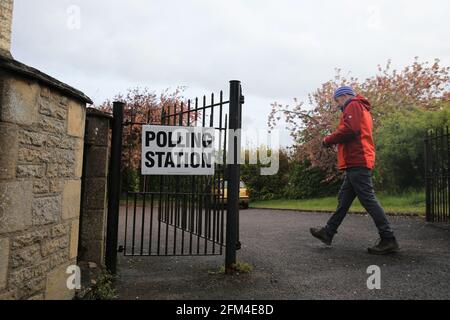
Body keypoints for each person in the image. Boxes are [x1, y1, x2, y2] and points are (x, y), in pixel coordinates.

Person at [310, 86, 400, 255]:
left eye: (337, 101)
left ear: (343, 96)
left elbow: (350, 129)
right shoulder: (360, 108)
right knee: (343, 200)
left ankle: (388, 238)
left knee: (368, 200)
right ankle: (328, 232)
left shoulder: (353, 104)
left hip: (358, 160)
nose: (338, 105)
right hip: (356, 161)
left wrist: (328, 140)